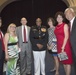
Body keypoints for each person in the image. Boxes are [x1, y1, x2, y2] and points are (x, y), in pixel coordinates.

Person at [64, 8, 76, 75]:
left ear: (73, 13)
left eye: (69, 13)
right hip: (73, 50)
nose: (67, 15)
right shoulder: (68, 24)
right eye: (66, 14)